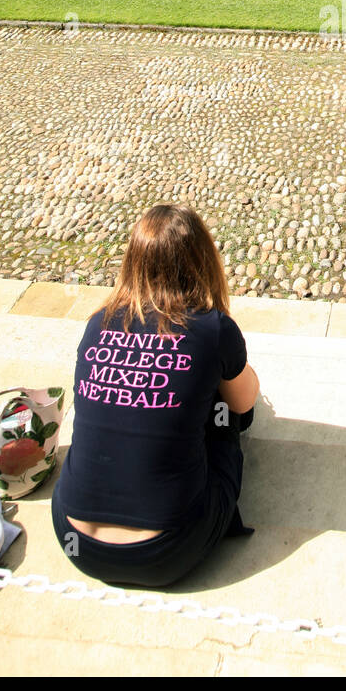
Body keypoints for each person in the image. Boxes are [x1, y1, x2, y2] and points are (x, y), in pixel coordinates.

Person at [51, 204, 260, 587]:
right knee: (224, 415)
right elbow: (244, 403)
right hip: (168, 551)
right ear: (203, 260)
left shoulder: (98, 322)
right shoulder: (212, 329)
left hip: (73, 540)